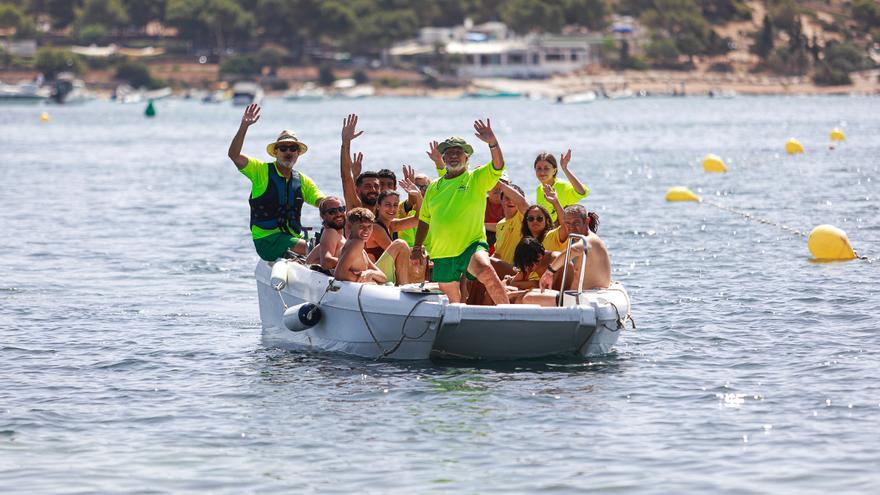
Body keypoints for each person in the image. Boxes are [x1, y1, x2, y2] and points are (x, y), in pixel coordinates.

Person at [411, 119, 509, 305]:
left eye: (458, 152)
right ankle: (458, 325)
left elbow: (498, 166)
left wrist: (492, 143)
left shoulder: (476, 178)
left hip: (471, 245)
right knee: (453, 300)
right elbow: (424, 219)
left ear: (467, 158)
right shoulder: (433, 187)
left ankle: (511, 316)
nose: (453, 156)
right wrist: (417, 248)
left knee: (486, 271)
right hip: (442, 252)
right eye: (449, 153)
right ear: (444, 158)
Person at [227, 103, 324, 261]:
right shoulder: (260, 171)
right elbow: (234, 155)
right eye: (283, 148)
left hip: (293, 239)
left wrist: (337, 210)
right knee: (313, 248)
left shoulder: (302, 181)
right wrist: (244, 125)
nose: (288, 152)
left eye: (292, 148)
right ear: (275, 152)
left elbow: (321, 201)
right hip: (267, 241)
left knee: (329, 245)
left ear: (298, 153)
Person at [528, 205, 610, 306]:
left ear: (587, 221)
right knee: (525, 292)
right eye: (567, 223)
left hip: (586, 297)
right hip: (574, 295)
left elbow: (573, 250)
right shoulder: (576, 239)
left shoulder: (590, 240)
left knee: (528, 298)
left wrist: (549, 272)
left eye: (576, 223)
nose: (571, 227)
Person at [365, 185, 424, 285]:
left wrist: (418, 195)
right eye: (387, 204)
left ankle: (405, 284)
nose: (392, 209)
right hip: (375, 276)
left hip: (385, 274)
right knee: (401, 244)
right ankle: (403, 285)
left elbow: (418, 219)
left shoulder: (392, 225)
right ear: (378, 206)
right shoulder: (375, 228)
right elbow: (399, 252)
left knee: (416, 250)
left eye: (395, 205)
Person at [335, 208, 388, 284]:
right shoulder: (357, 243)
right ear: (351, 227)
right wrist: (369, 281)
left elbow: (384, 277)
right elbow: (339, 274)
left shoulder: (359, 248)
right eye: (361, 226)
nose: (366, 230)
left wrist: (371, 273)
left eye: (369, 226)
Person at [339, 114, 381, 210]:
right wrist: (346, 142)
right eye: (367, 186)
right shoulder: (356, 208)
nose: (373, 190)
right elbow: (346, 177)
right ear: (357, 190)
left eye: (376, 186)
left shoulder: (385, 213)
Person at [534, 150, 588, 223]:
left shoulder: (562, 186)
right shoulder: (539, 189)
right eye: (539, 168)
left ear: (554, 171)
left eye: (546, 168)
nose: (542, 172)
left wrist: (565, 169)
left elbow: (582, 192)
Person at [491, 181, 529, 265]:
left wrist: (497, 181)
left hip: (518, 270)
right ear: (501, 199)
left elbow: (522, 203)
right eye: (507, 198)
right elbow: (497, 254)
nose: (511, 201)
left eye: (514, 199)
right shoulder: (500, 224)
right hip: (503, 272)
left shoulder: (523, 217)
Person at [304, 196, 346, 272]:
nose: (338, 214)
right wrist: (352, 264)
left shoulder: (339, 237)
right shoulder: (330, 232)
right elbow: (326, 262)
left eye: (341, 209)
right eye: (332, 212)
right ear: (323, 216)